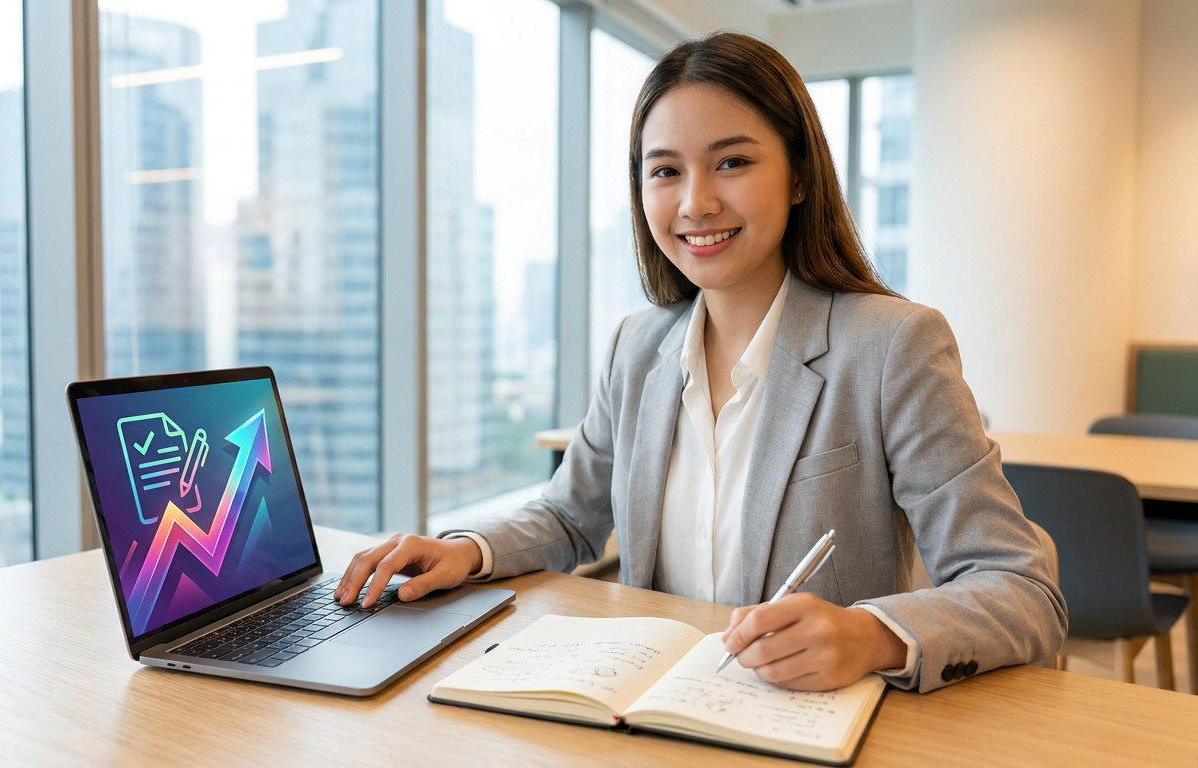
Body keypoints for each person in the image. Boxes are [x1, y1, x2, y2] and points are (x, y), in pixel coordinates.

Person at [335, 31, 1066, 693]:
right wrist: (466, 550)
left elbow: (1021, 587)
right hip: (658, 712)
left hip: (811, 720)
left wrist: (873, 635)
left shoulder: (891, 345)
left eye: (734, 162)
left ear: (801, 176)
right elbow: (569, 516)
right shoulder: (637, 345)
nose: (696, 202)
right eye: (665, 172)